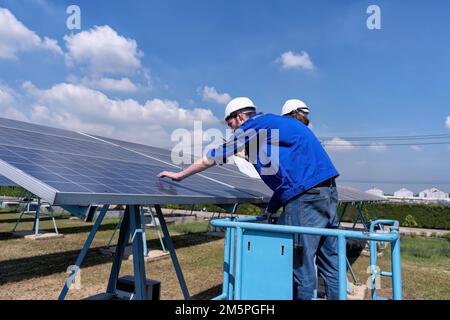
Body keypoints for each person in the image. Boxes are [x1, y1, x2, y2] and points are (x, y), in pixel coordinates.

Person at [158, 97, 340, 300]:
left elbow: (214, 156)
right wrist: (271, 207)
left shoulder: (255, 124)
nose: (232, 131)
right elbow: (286, 180)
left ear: (240, 116)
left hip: (305, 201)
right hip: (329, 194)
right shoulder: (277, 131)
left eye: (231, 125)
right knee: (330, 264)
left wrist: (180, 175)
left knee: (301, 265)